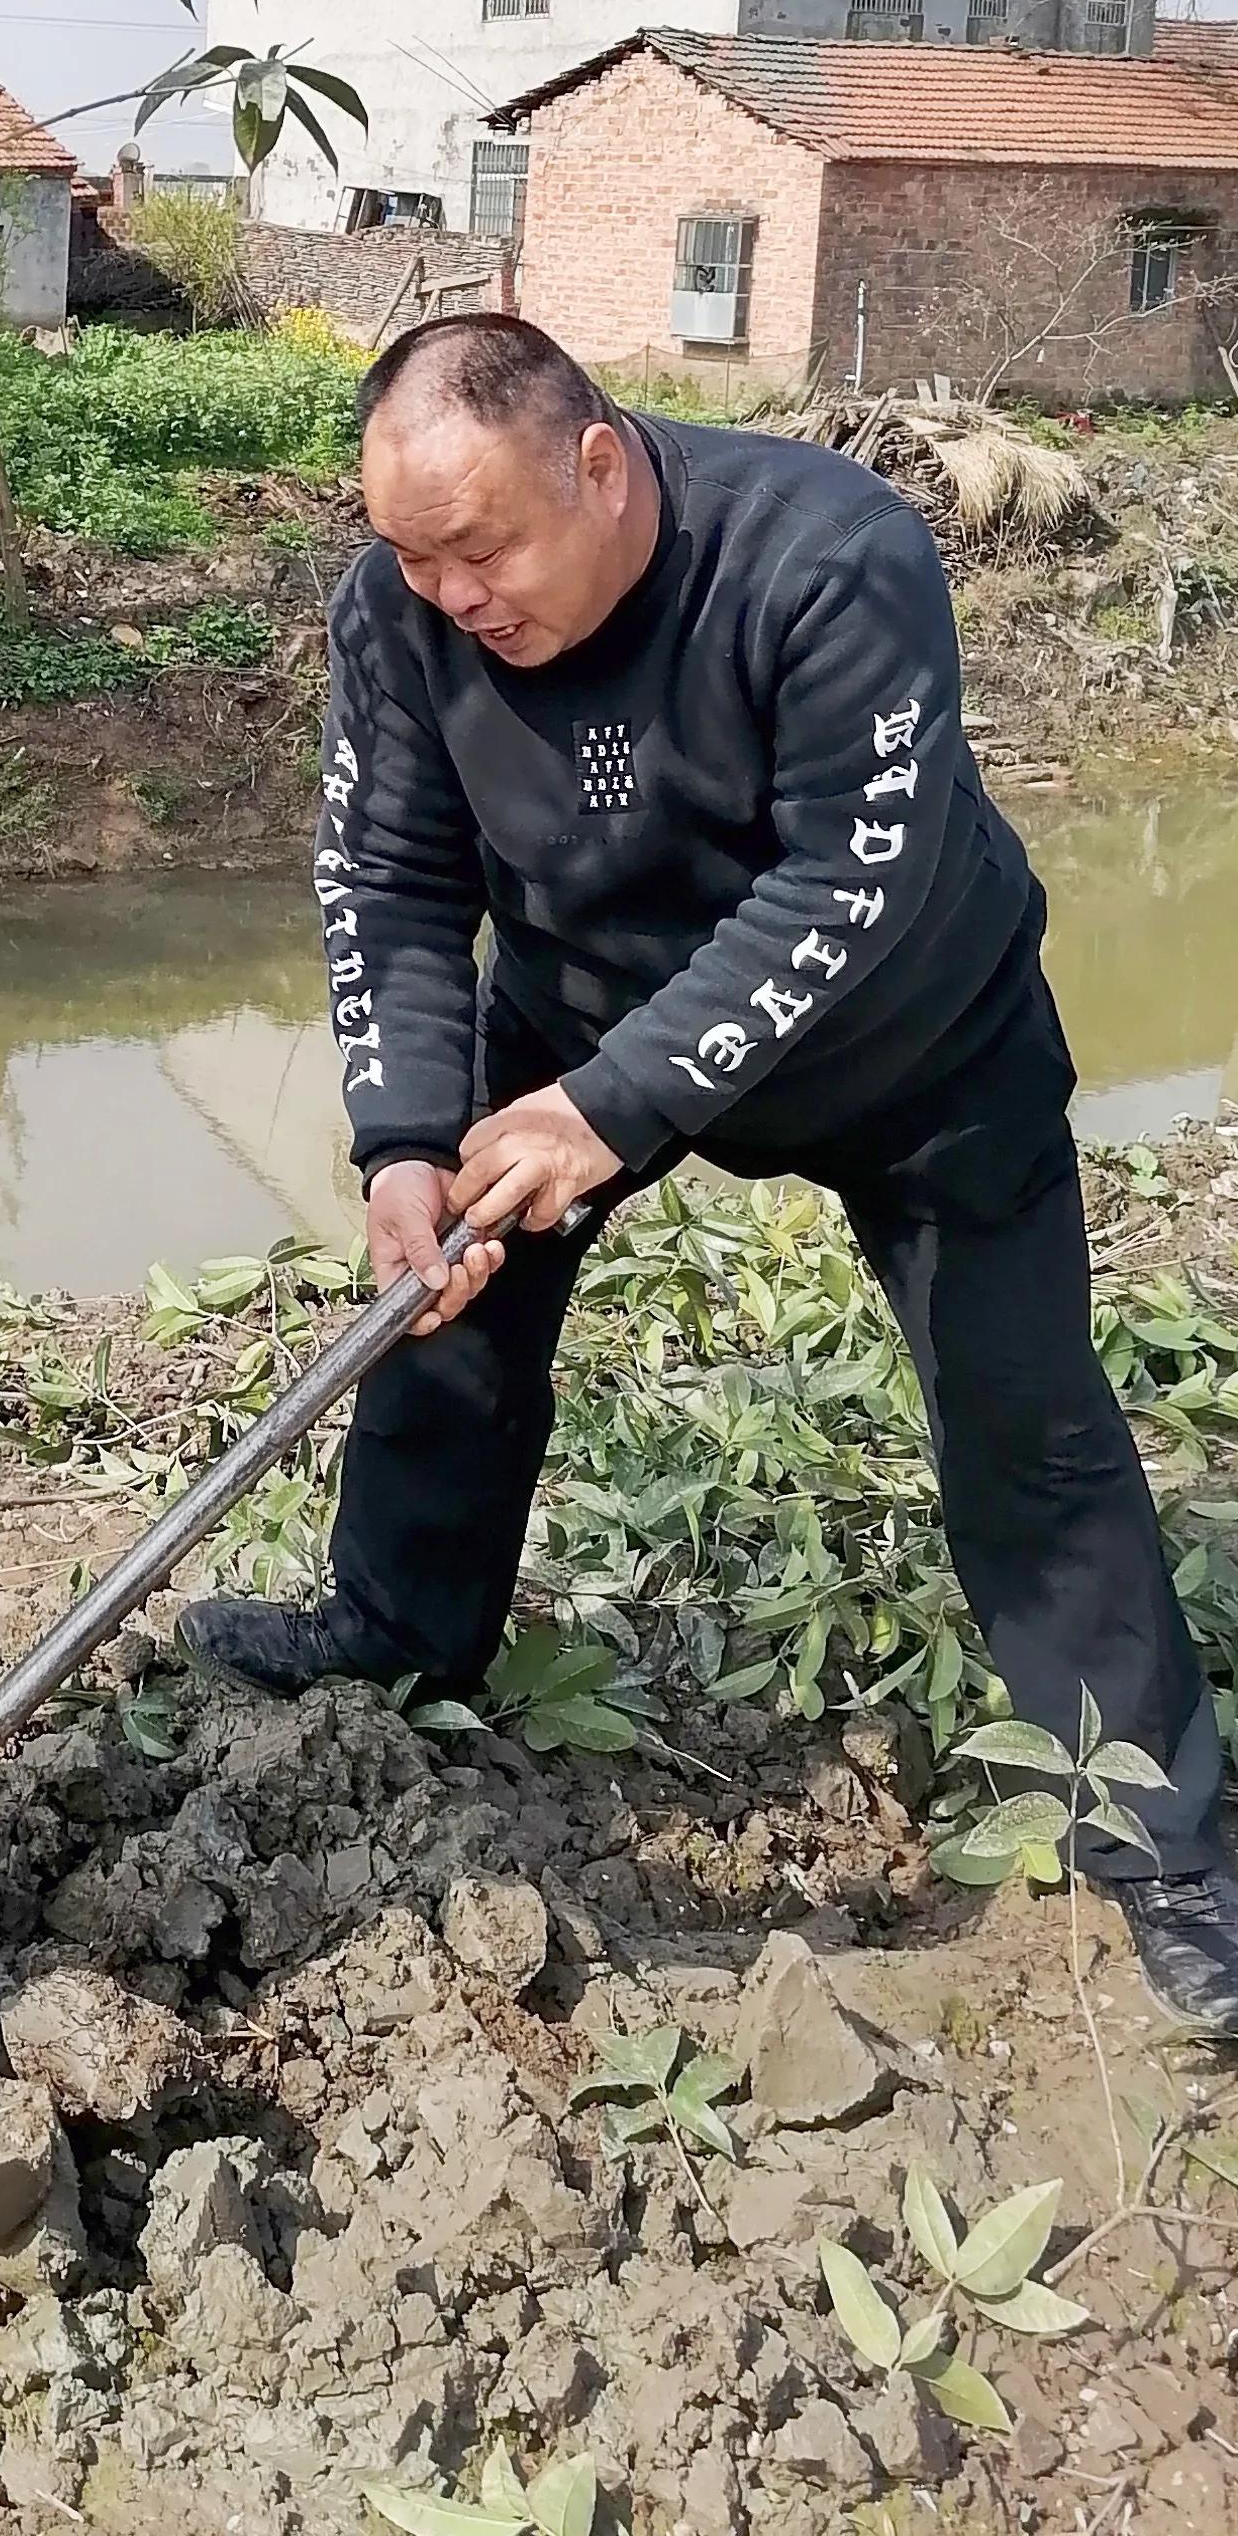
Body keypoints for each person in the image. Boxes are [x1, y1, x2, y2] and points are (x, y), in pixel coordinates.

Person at [178, 312, 1237, 2035]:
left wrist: (615, 1102)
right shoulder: (398, 612)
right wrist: (402, 1141)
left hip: (915, 1044)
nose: (453, 595)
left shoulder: (830, 562)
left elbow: (851, 886)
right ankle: (398, 1621)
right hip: (582, 1010)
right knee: (444, 1298)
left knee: (1026, 1425)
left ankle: (1159, 1836)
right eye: (413, 555)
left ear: (600, 467)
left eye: (484, 547)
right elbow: (386, 873)